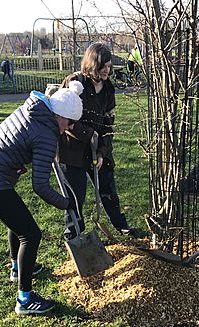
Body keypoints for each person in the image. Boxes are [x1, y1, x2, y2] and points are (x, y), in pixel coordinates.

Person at [0, 81, 83, 315]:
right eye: (70, 123)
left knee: (17, 223)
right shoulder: (46, 135)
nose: (69, 128)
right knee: (31, 234)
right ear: (60, 116)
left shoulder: (34, 110)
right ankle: (25, 300)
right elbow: (40, 185)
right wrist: (67, 203)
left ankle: (18, 269)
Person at [58, 42, 139, 238]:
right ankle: (73, 230)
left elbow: (108, 125)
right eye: (103, 66)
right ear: (92, 64)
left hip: (98, 149)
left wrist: (102, 152)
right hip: (73, 150)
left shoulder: (108, 90)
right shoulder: (74, 83)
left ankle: (121, 225)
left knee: (108, 188)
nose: (107, 71)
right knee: (75, 194)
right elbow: (62, 117)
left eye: (109, 66)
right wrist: (88, 134)